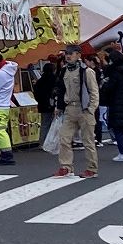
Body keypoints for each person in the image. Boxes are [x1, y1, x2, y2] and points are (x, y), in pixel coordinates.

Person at [49, 46, 101, 178]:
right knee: (64, 138)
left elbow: (94, 92)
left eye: (71, 53)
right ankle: (66, 167)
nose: (68, 56)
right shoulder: (64, 70)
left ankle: (92, 168)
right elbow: (61, 89)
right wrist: (59, 106)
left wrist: (91, 109)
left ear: (78, 55)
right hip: (69, 108)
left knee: (88, 141)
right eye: (66, 53)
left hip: (84, 108)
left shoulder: (86, 71)